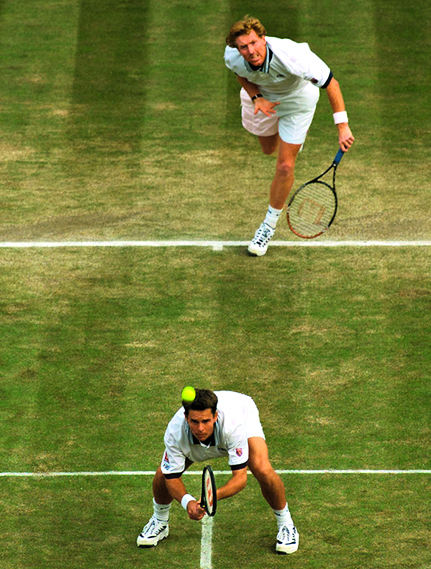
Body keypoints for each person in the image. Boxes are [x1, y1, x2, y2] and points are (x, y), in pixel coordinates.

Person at [224, 16, 355, 256]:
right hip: (263, 100)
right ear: (237, 48)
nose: (250, 51)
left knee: (285, 165)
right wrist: (256, 98)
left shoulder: (294, 56)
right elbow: (239, 73)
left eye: (254, 43)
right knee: (268, 149)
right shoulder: (232, 56)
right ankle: (288, 135)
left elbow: (332, 83)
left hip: (297, 102)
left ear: (263, 39)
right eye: (243, 47)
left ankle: (267, 227)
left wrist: (342, 126)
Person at [137, 389, 299, 555]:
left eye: (206, 421)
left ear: (215, 416)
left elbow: (240, 479)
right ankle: (159, 521)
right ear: (186, 418)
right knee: (163, 474)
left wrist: (212, 497)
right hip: (193, 444)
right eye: (194, 421)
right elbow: (172, 478)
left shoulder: (233, 425)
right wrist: (188, 503)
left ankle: (286, 524)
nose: (200, 428)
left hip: (240, 415)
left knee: (262, 468)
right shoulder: (175, 431)